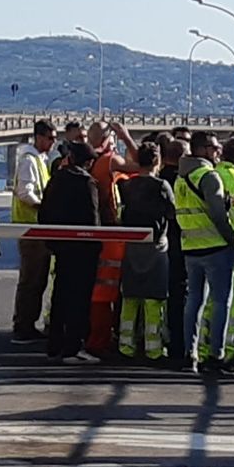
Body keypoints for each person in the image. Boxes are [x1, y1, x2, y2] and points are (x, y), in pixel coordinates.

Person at [175, 130, 234, 375]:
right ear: (201, 150)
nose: (218, 151)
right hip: (215, 248)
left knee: (194, 301)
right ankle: (216, 355)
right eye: (213, 148)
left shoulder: (181, 178)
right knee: (221, 301)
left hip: (191, 248)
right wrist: (231, 239)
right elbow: (217, 215)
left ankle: (189, 354)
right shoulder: (209, 177)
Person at [39, 141, 101, 364]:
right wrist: (96, 248)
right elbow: (93, 221)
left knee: (60, 295)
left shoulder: (56, 179)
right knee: (79, 300)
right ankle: (73, 347)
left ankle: (54, 345)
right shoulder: (87, 183)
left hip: (61, 248)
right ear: (89, 162)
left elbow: (44, 214)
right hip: (83, 252)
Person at [199, 136, 234, 365]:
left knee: (210, 298)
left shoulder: (209, 177)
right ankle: (232, 349)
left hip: (211, 245)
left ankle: (204, 348)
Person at [86, 121, 140, 354]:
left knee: (91, 289)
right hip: (110, 232)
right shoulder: (110, 161)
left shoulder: (78, 159)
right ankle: (101, 339)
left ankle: (89, 334)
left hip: (86, 232)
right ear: (108, 139)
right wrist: (127, 138)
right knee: (108, 290)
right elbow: (142, 166)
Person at [117, 142, 175, 361]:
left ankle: (125, 345)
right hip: (157, 247)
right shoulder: (162, 186)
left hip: (131, 246)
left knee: (130, 297)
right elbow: (171, 212)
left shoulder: (127, 186)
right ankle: (154, 348)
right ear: (157, 161)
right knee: (154, 299)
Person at [11, 119, 57, 344]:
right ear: (39, 137)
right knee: (31, 280)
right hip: (31, 229)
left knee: (37, 280)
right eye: (50, 138)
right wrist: (43, 205)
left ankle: (28, 322)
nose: (53, 142)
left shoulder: (40, 160)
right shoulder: (29, 161)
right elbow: (25, 193)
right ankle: (23, 325)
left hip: (38, 229)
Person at [160, 137, 189, 364]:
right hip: (182, 244)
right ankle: (181, 345)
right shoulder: (183, 181)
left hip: (161, 246)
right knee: (181, 296)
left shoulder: (159, 179)